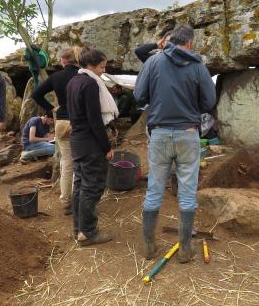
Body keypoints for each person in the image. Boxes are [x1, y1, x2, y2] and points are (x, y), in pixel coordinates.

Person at [134, 25, 216, 262]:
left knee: (154, 191)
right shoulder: (198, 65)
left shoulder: (153, 62)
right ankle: (185, 249)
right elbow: (209, 101)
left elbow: (139, 95)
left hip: (159, 134)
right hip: (188, 134)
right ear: (189, 42)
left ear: (170, 40)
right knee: (188, 193)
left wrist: (156, 100)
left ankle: (149, 247)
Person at [66, 49, 117, 246]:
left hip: (77, 140)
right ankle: (88, 233)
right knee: (92, 187)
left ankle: (78, 229)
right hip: (90, 143)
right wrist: (106, 147)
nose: (103, 71)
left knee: (79, 186)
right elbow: (95, 120)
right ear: (91, 65)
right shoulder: (90, 84)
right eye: (102, 67)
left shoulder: (74, 81)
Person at [31, 46, 87, 213]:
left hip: (62, 120)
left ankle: (65, 201)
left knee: (66, 162)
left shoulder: (55, 77)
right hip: (79, 121)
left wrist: (51, 109)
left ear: (63, 60)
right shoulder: (83, 76)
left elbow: (36, 94)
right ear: (78, 60)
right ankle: (78, 199)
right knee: (81, 162)